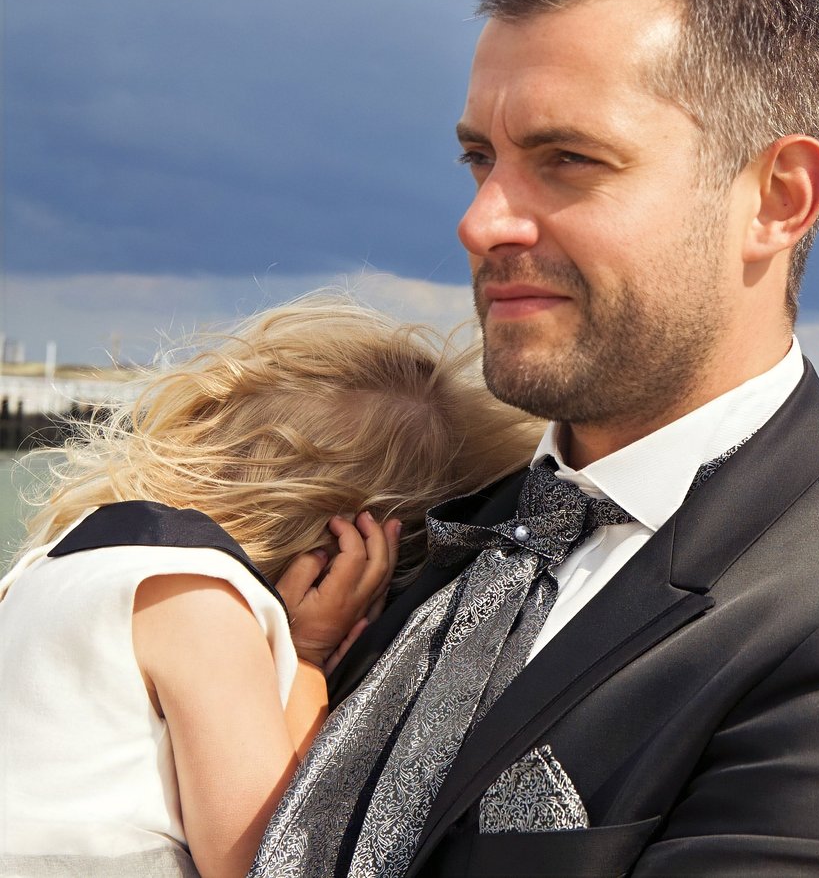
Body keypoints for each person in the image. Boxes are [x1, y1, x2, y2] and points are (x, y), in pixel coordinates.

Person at [254, 0, 819, 878]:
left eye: (568, 160)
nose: (479, 220)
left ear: (777, 196)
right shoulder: (431, 531)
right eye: (480, 160)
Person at [0, 297, 542, 878]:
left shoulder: (45, 569)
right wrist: (306, 660)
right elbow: (265, 857)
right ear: (344, 552)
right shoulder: (201, 602)